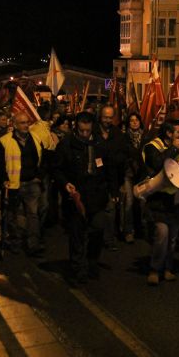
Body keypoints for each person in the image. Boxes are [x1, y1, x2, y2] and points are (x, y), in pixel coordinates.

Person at [53, 111, 113, 283]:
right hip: (76, 196)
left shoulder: (100, 144)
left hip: (97, 196)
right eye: (82, 131)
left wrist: (113, 190)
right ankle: (77, 267)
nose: (85, 135)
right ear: (76, 128)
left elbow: (109, 168)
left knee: (98, 229)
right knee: (77, 234)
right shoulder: (66, 145)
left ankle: (92, 261)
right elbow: (56, 169)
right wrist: (65, 184)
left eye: (88, 131)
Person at [143, 120, 179, 285]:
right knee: (162, 233)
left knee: (173, 237)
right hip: (158, 200)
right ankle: (154, 269)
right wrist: (174, 149)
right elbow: (156, 163)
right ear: (169, 134)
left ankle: (168, 268)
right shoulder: (152, 147)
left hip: (176, 198)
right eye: (178, 132)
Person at [0, 112, 45, 256]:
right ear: (15, 125)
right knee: (12, 216)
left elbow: (43, 159)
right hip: (13, 184)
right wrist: (3, 179)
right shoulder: (4, 141)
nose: (26, 126)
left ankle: (33, 245)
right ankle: (15, 242)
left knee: (33, 215)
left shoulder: (36, 138)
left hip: (31, 183)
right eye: (22, 123)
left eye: (27, 123)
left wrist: (39, 176)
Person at [96, 105, 127, 250]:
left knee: (110, 210)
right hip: (95, 177)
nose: (107, 120)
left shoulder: (117, 134)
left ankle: (109, 239)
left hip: (112, 177)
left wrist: (120, 182)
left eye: (110, 117)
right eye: (105, 117)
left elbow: (122, 156)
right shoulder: (93, 132)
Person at [121, 112, 145, 243]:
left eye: (136, 120)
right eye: (131, 120)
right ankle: (128, 231)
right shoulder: (124, 137)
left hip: (142, 174)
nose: (134, 122)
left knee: (141, 202)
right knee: (129, 202)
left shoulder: (145, 137)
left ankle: (140, 227)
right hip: (129, 173)